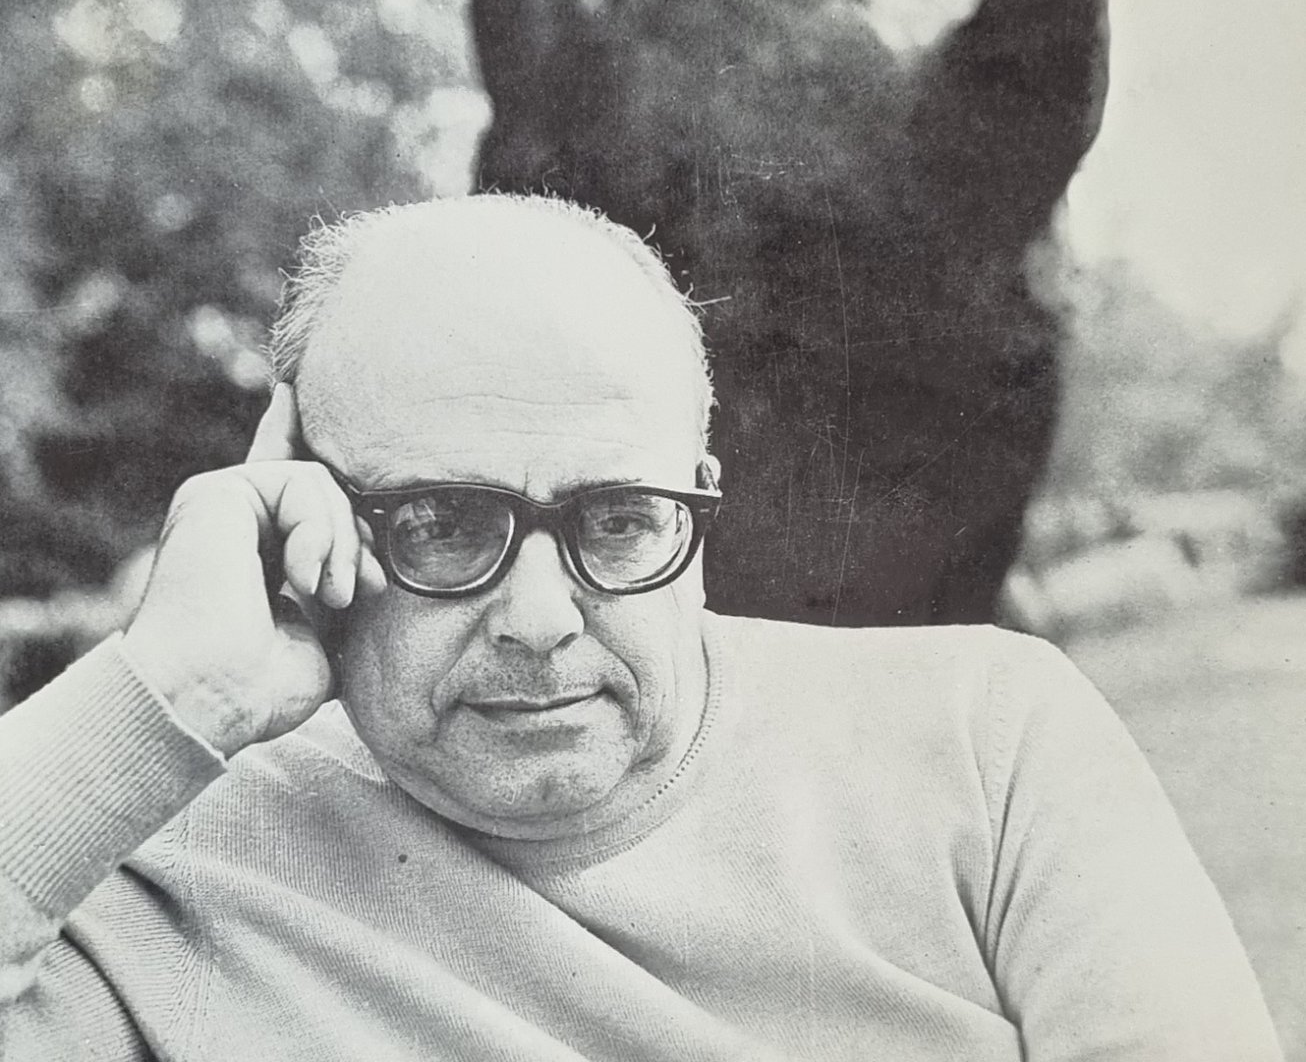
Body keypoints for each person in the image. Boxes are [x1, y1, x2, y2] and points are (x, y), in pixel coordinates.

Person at [0, 194, 1283, 1059]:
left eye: (618, 521)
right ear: (305, 519)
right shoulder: (157, 870)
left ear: (700, 510)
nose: (539, 620)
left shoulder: (987, 743)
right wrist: (170, 694)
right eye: (440, 523)